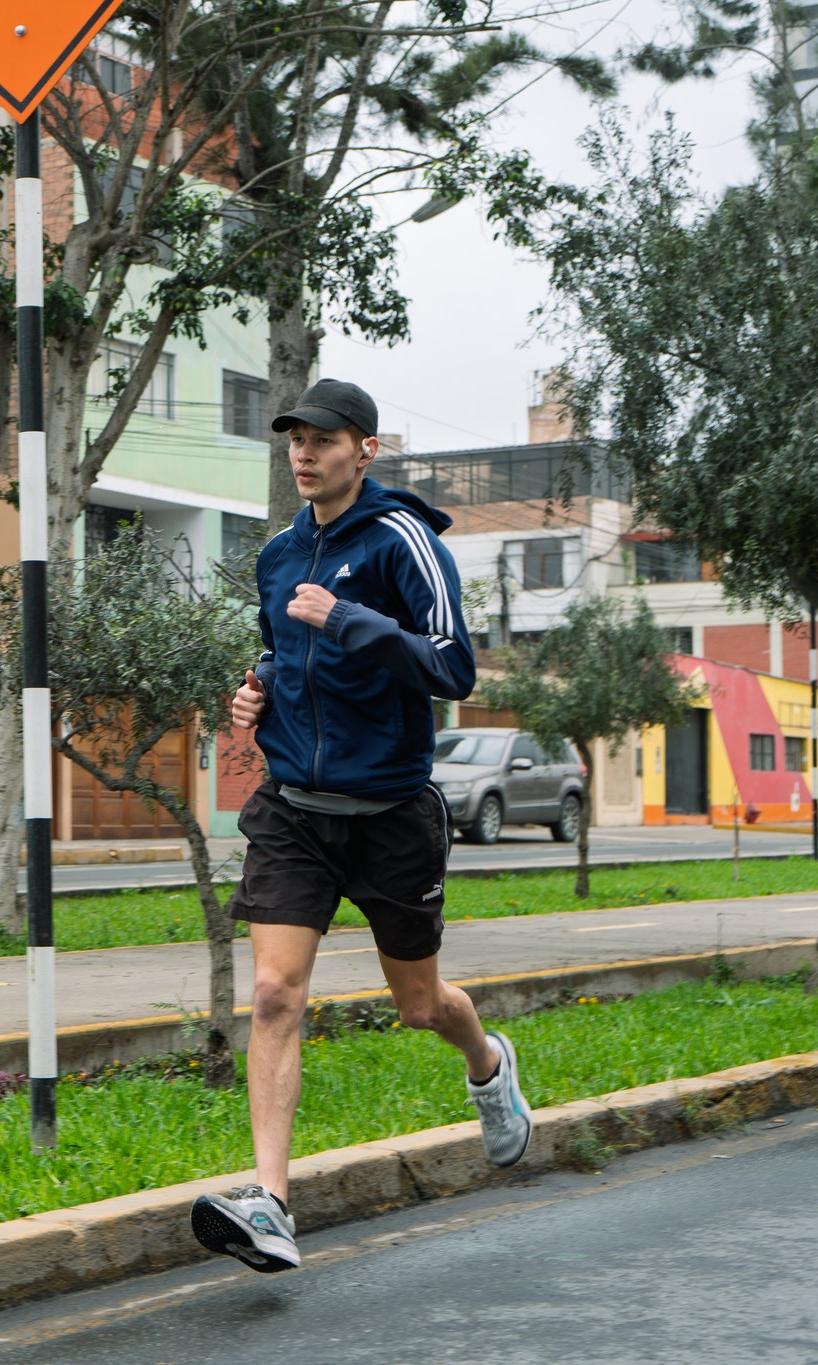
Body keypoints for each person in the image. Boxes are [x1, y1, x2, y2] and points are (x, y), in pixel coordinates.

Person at [191, 378, 533, 1274]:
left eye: (325, 438)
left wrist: (348, 619)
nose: (306, 453)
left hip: (390, 815)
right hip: (295, 812)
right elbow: (277, 649)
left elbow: (455, 667)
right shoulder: (278, 553)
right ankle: (271, 1200)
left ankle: (488, 1063)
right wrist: (254, 691)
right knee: (273, 994)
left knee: (420, 1005)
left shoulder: (402, 541)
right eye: (296, 439)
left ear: (365, 449)